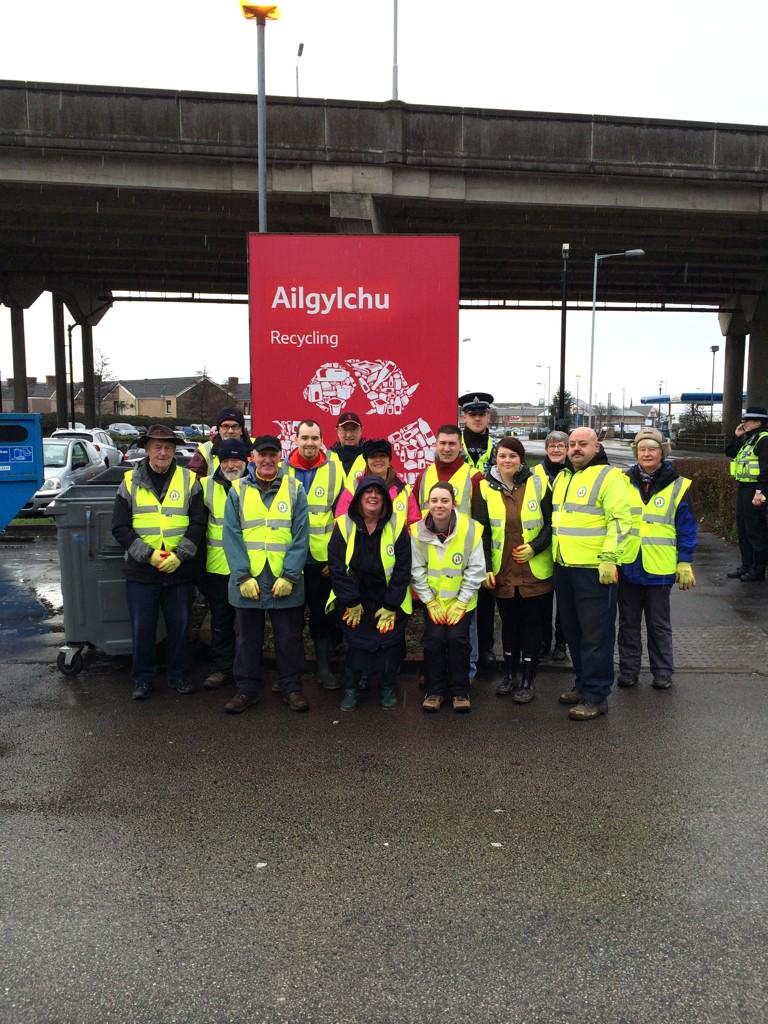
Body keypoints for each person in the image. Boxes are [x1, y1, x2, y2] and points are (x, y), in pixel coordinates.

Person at [111, 424, 207, 700]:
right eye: (157, 447)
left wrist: (180, 556)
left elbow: (199, 524)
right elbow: (119, 527)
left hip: (179, 569)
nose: (162, 452)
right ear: (147, 449)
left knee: (180, 626)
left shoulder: (190, 481)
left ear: (175, 450)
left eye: (168, 447)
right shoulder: (129, 481)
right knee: (143, 628)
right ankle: (143, 679)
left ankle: (179, 675)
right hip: (142, 570)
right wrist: (149, 554)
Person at [222, 435, 310, 714]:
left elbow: (301, 535)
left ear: (280, 457)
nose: (268, 460)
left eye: (273, 455)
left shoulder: (295, 489)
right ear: (253, 457)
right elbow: (231, 536)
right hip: (249, 579)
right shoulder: (237, 491)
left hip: (285, 578)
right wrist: (242, 576)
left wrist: (291, 575)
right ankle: (247, 689)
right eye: (263, 454)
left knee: (289, 638)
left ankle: (291, 687)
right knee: (247, 638)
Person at [551, 427, 633, 721]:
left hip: (595, 570)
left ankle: (597, 696)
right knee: (574, 631)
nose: (575, 449)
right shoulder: (562, 478)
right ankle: (583, 684)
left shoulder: (610, 477)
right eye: (572, 444)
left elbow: (622, 521)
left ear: (596, 447)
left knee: (596, 635)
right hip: (565, 566)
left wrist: (610, 558)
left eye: (582, 444)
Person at [473, 436, 553, 703]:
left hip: (533, 569)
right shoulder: (484, 488)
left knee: (531, 625)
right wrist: (485, 567)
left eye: (513, 456)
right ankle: (509, 675)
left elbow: (551, 525)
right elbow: (480, 532)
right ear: (495, 459)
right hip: (503, 569)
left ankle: (528, 680)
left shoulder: (538, 484)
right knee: (509, 625)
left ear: (521, 460)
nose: (507, 461)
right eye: (502, 456)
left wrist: (535, 547)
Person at [618, 428, 697, 690]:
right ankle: (629, 670)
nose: (646, 453)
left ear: (662, 452)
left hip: (659, 568)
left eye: (652, 449)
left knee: (658, 625)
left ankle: (662, 671)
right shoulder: (623, 481)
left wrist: (684, 561)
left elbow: (686, 526)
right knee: (628, 623)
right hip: (629, 563)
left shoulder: (678, 485)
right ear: (636, 453)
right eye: (642, 449)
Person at [327, 475, 412, 711]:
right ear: (359, 497)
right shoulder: (344, 524)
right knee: (356, 644)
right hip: (354, 599)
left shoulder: (397, 525)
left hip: (388, 599)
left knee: (389, 644)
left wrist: (391, 604)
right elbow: (336, 566)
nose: (373, 496)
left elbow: (404, 567)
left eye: (378, 492)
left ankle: (387, 686)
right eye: (368, 492)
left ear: (385, 499)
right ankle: (353, 687)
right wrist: (351, 601)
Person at [411, 482, 485, 713]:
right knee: (433, 642)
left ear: (454, 503)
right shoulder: (417, 531)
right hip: (434, 602)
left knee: (458, 642)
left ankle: (460, 692)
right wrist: (430, 601)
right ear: (428, 503)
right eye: (434, 501)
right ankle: (435, 691)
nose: (439, 505)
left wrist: (461, 602)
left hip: (461, 603)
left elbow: (476, 569)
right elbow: (417, 569)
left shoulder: (471, 529)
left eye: (444, 500)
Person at [285, 419, 344, 689]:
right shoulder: (281, 469)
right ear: (296, 439)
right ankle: (291, 672)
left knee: (322, 617)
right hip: (289, 560)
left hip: (322, 561)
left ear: (322, 440)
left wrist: (336, 559)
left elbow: (343, 516)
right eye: (305, 437)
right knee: (290, 619)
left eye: (315, 438)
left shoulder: (335, 468)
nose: (309, 443)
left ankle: (323, 667)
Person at [198, 437, 249, 690]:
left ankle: (247, 670)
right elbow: (197, 526)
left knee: (248, 625)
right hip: (218, 567)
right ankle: (222, 669)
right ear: (218, 461)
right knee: (221, 622)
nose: (231, 465)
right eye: (226, 460)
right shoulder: (205, 486)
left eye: (236, 459)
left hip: (249, 568)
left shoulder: (255, 485)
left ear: (245, 461)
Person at [533, 430, 570, 662]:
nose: (556, 450)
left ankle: (562, 644)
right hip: (543, 545)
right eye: (552, 446)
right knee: (543, 602)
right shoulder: (534, 473)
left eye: (561, 446)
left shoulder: (574, 472)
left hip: (568, 546)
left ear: (567, 449)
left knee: (565, 602)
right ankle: (543, 641)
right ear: (546, 449)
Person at [334, 438, 421, 529]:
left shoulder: (404, 490)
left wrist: (403, 542)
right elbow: (341, 523)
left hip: (398, 543)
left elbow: (415, 526)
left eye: (382, 456)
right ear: (367, 461)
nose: (378, 459)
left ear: (389, 461)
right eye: (373, 456)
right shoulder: (353, 489)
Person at [724, 406, 768, 582]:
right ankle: (746, 565)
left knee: (755, 530)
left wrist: (761, 492)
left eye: (747, 420)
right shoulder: (750, 439)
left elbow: (766, 469)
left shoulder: (764, 439)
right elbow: (730, 452)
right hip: (744, 488)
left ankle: (758, 570)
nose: (743, 423)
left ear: (758, 422)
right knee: (743, 529)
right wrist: (736, 436)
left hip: (756, 490)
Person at [187, 407, 250, 479]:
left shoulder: (255, 447)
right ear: (219, 430)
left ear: (242, 430)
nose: (230, 431)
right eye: (225, 426)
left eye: (235, 426)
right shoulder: (206, 449)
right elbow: (191, 478)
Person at [458, 391, 496, 474]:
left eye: (482, 414)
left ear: (488, 417)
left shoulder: (498, 447)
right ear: (464, 417)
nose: (477, 418)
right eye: (472, 415)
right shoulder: (453, 445)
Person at [328, 411, 367, 490]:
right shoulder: (327, 458)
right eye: (345, 430)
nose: (349, 435)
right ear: (337, 431)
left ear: (361, 430)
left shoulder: (370, 456)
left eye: (353, 430)